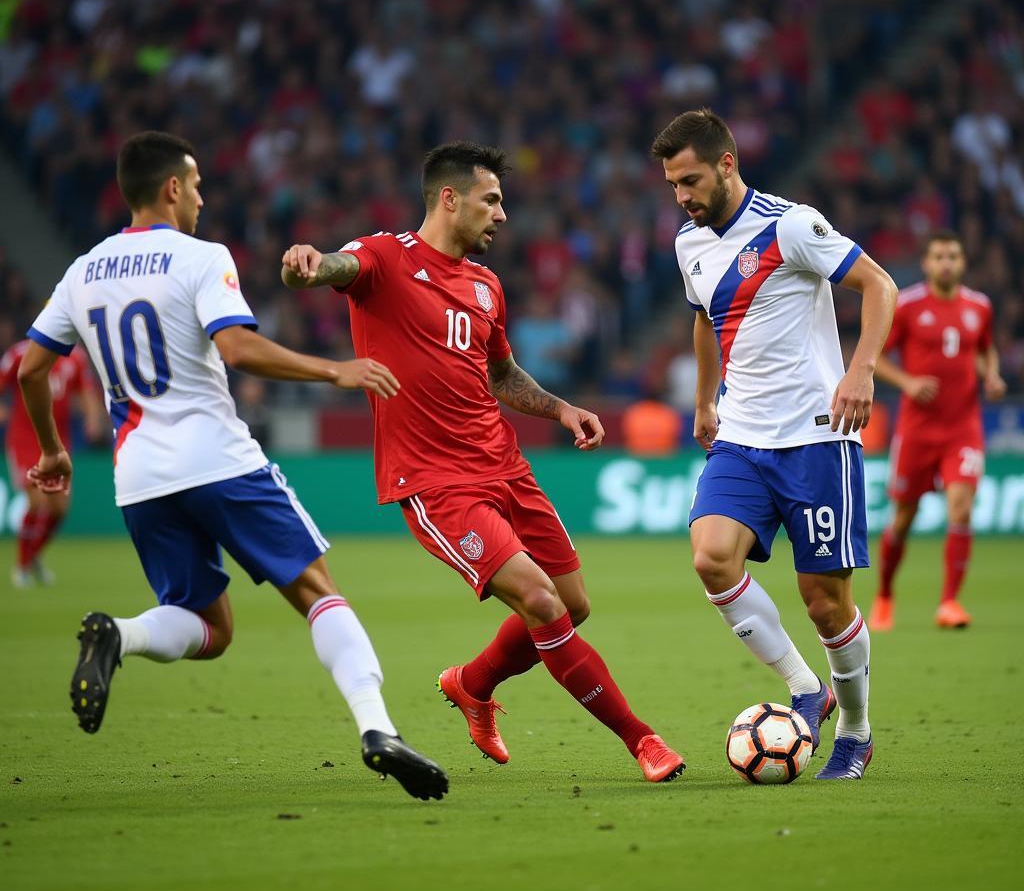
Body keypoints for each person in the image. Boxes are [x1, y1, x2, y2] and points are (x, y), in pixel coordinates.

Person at [18, 131, 447, 801]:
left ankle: (118, 636)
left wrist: (51, 446)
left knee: (210, 627)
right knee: (315, 589)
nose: (202, 197)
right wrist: (337, 370)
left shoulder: (82, 271)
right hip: (216, 457)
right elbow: (239, 348)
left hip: (138, 478)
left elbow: (33, 367)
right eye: (194, 185)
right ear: (170, 189)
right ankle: (377, 728)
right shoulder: (199, 256)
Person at [281, 141, 685, 783]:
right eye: (491, 200)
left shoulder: (486, 286)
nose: (501, 214)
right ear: (450, 198)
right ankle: (643, 740)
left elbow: (501, 374)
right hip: (437, 484)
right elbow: (337, 266)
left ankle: (471, 684)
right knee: (541, 602)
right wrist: (309, 264)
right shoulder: (387, 257)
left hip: (506, 468)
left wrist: (560, 411)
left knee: (573, 603)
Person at [650, 109, 898, 780]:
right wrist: (705, 400)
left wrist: (862, 368)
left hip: (816, 438)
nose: (682, 197)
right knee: (711, 559)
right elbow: (705, 319)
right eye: (673, 185)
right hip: (741, 437)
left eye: (691, 180)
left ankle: (856, 730)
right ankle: (804, 687)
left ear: (728, 164)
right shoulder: (689, 244)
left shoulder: (791, 224)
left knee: (824, 599)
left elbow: (880, 284)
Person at [870, 230, 1005, 631]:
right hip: (917, 429)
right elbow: (875, 357)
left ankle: (949, 602)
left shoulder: (979, 307)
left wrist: (992, 375)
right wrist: (908, 382)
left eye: (954, 256)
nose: (947, 263)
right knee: (905, 516)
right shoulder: (908, 305)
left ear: (962, 262)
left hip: (963, 426)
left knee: (961, 506)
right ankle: (885, 595)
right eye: (940, 256)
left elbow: (984, 350)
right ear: (927, 263)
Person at [1, 337, 105, 586]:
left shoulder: (75, 357)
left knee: (59, 509)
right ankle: (23, 566)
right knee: (36, 502)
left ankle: (33, 554)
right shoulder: (19, 354)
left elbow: (87, 391)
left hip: (58, 442)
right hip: (25, 440)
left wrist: (92, 418)